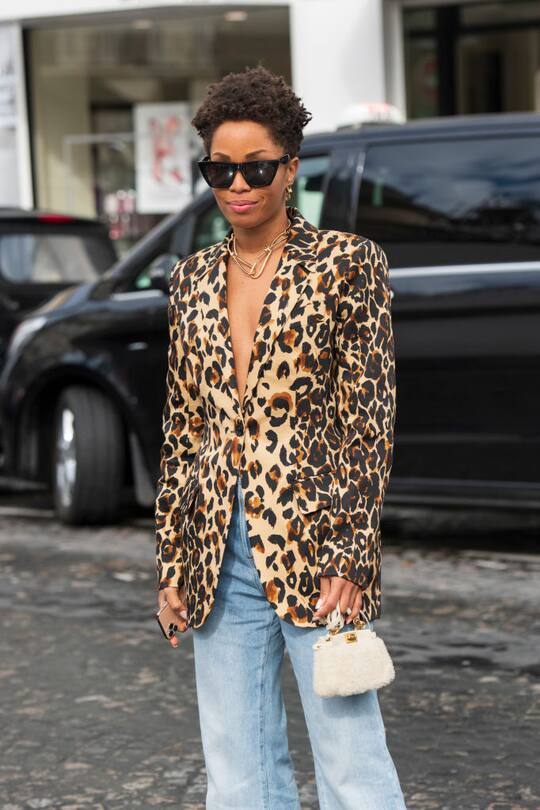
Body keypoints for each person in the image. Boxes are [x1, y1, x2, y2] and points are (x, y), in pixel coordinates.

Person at [155, 65, 407, 810]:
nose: (238, 185)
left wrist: (352, 552)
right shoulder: (192, 278)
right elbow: (183, 425)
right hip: (216, 543)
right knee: (235, 767)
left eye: (256, 167)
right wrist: (173, 556)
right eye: (220, 169)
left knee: (350, 761)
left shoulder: (345, 266)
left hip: (316, 536)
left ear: (291, 167)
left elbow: (368, 422)